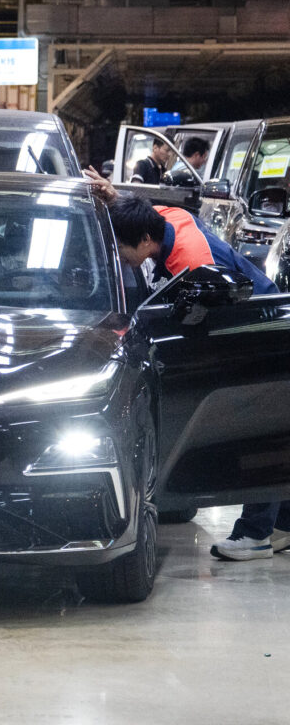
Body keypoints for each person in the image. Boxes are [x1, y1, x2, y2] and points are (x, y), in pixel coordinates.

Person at [92, 183, 290, 562]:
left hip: (257, 328)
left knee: (257, 423)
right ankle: (283, 525)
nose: (120, 258)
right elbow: (144, 214)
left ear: (145, 240)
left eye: (122, 249)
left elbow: (208, 329)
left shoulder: (193, 264)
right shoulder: (167, 218)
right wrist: (115, 199)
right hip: (256, 316)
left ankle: (255, 534)